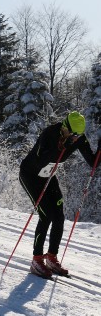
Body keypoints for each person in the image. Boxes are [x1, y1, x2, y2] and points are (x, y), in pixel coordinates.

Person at [19, 111, 99, 278]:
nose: (77, 138)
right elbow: (40, 161)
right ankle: (36, 260)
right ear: (65, 128)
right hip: (30, 175)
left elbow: (93, 162)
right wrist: (59, 148)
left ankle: (51, 257)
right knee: (45, 216)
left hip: (48, 177)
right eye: (74, 134)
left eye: (79, 135)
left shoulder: (77, 139)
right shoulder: (50, 133)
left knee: (59, 216)